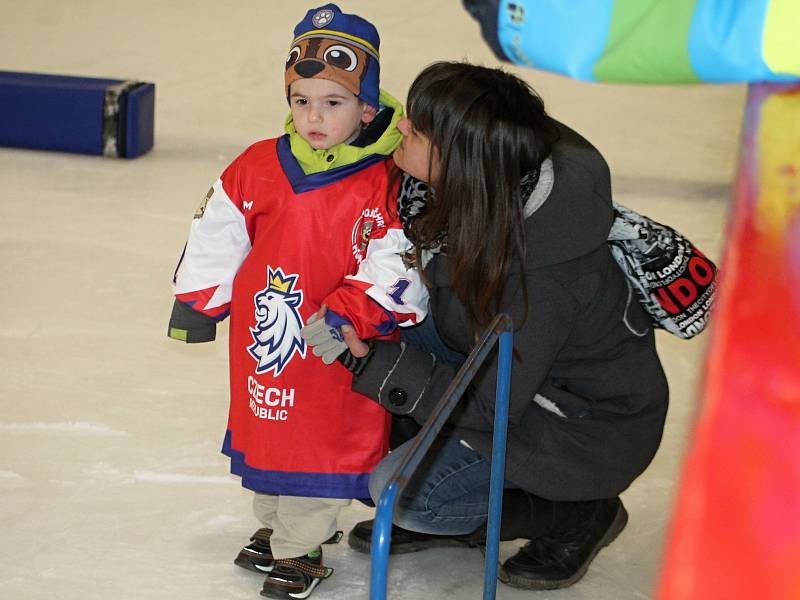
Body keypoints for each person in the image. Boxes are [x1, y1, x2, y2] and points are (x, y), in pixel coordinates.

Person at [304, 61, 670, 591]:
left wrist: (376, 365)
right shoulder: (487, 186)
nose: (402, 126)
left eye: (419, 128)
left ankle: (575, 511)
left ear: (461, 160)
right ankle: (474, 491)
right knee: (385, 318)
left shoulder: (538, 277)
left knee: (403, 494)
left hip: (578, 426)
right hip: (510, 367)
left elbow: (491, 405)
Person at [167, 5, 427, 598]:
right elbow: (219, 225)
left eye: (333, 103)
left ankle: (301, 545)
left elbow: (395, 261)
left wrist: (348, 312)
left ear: (366, 106)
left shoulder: (383, 178)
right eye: (301, 101)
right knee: (269, 433)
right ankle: (277, 527)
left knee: (318, 442)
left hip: (334, 346)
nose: (313, 117)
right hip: (266, 339)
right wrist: (199, 300)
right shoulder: (260, 162)